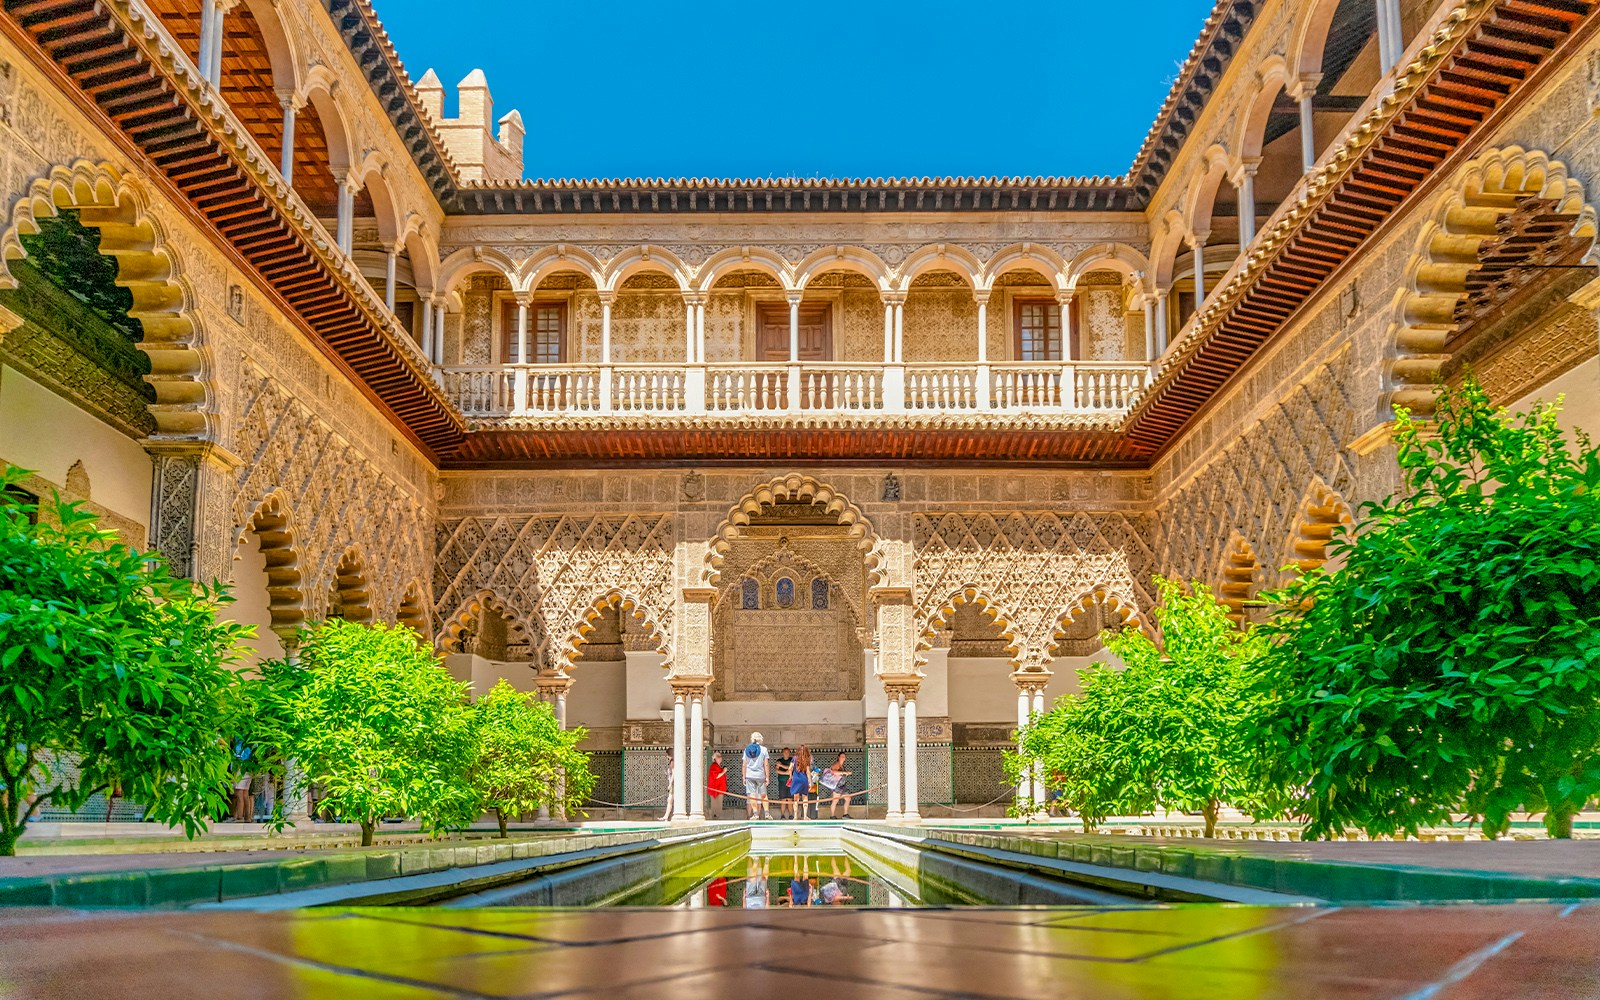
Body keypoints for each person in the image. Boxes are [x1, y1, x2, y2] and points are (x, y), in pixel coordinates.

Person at [742, 732, 770, 820]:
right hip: (761, 775)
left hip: (750, 775)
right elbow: (766, 764)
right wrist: (767, 777)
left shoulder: (747, 749)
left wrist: (744, 776)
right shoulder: (764, 749)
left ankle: (755, 814)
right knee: (763, 795)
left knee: (752, 795)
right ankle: (767, 814)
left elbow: (744, 764)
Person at [822, 752, 853, 819]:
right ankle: (832, 816)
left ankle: (845, 814)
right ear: (838, 757)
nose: (843, 758)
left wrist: (846, 773)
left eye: (844, 756)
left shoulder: (842, 765)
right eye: (841, 756)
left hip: (842, 786)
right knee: (835, 801)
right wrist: (844, 772)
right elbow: (834, 772)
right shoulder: (837, 764)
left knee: (848, 798)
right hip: (837, 786)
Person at [789, 745, 813, 820]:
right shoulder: (807, 759)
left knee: (796, 799)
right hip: (804, 780)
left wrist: (791, 777)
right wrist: (810, 782)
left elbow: (790, 768)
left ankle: (795, 816)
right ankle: (805, 816)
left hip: (795, 779)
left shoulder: (794, 758)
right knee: (805, 798)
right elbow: (808, 772)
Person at [774, 747, 795, 819]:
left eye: (788, 752)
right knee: (783, 799)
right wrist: (786, 773)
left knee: (790, 799)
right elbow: (777, 771)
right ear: (783, 753)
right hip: (782, 783)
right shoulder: (779, 760)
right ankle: (782, 815)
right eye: (785, 752)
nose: (786, 754)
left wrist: (781, 766)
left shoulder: (791, 760)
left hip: (790, 783)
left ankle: (791, 815)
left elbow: (790, 768)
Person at [706, 751, 727, 820]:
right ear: (715, 758)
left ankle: (716, 817)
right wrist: (723, 771)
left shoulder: (718, 766)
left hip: (719, 789)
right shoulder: (714, 766)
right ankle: (715, 818)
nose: (720, 758)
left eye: (720, 756)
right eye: (718, 756)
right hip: (715, 789)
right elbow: (716, 776)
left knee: (718, 806)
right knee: (716, 807)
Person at [660, 747, 675, 822]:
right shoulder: (672, 761)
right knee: (669, 800)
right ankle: (666, 816)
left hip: (673, 785)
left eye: (667, 755)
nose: (667, 757)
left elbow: (674, 773)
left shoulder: (672, 761)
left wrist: (670, 784)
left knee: (670, 800)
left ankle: (666, 817)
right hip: (673, 784)